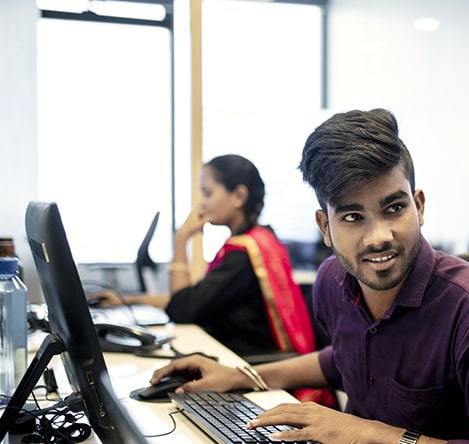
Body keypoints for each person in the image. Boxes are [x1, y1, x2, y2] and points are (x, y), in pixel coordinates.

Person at [150, 109, 469, 444]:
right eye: (353, 217)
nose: (379, 237)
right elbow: (347, 359)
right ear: (325, 227)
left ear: (419, 206)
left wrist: (368, 432)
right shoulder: (333, 283)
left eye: (394, 208)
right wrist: (242, 377)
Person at [93, 154, 315, 359]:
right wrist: (127, 300)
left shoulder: (244, 256)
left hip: (247, 365)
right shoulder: (259, 239)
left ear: (239, 196)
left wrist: (181, 240)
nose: (201, 202)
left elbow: (183, 309)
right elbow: (194, 296)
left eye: (207, 193)